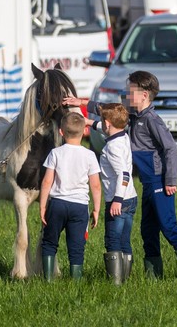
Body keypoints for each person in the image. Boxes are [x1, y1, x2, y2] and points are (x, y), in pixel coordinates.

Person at [126, 70, 177, 279]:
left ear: (144, 95)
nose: (127, 96)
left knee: (169, 227)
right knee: (147, 231)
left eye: (130, 92)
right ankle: (154, 278)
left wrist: (170, 180)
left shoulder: (152, 119)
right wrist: (83, 103)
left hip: (160, 182)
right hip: (148, 184)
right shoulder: (134, 116)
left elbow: (170, 149)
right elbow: (109, 111)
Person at [39, 110, 102, 281]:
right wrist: (96, 209)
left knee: (50, 243)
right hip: (79, 207)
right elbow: (95, 185)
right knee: (76, 247)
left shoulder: (55, 153)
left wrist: (43, 206)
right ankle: (76, 281)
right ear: (85, 131)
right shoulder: (89, 155)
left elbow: (46, 182)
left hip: (57, 204)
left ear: (61, 132)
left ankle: (48, 281)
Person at [94, 102, 137, 284]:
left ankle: (116, 283)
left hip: (118, 200)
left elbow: (124, 174)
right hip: (131, 198)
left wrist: (117, 200)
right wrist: (87, 122)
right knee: (125, 240)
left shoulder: (112, 148)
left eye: (102, 120)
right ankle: (125, 279)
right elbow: (103, 127)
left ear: (108, 123)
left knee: (113, 240)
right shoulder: (123, 136)